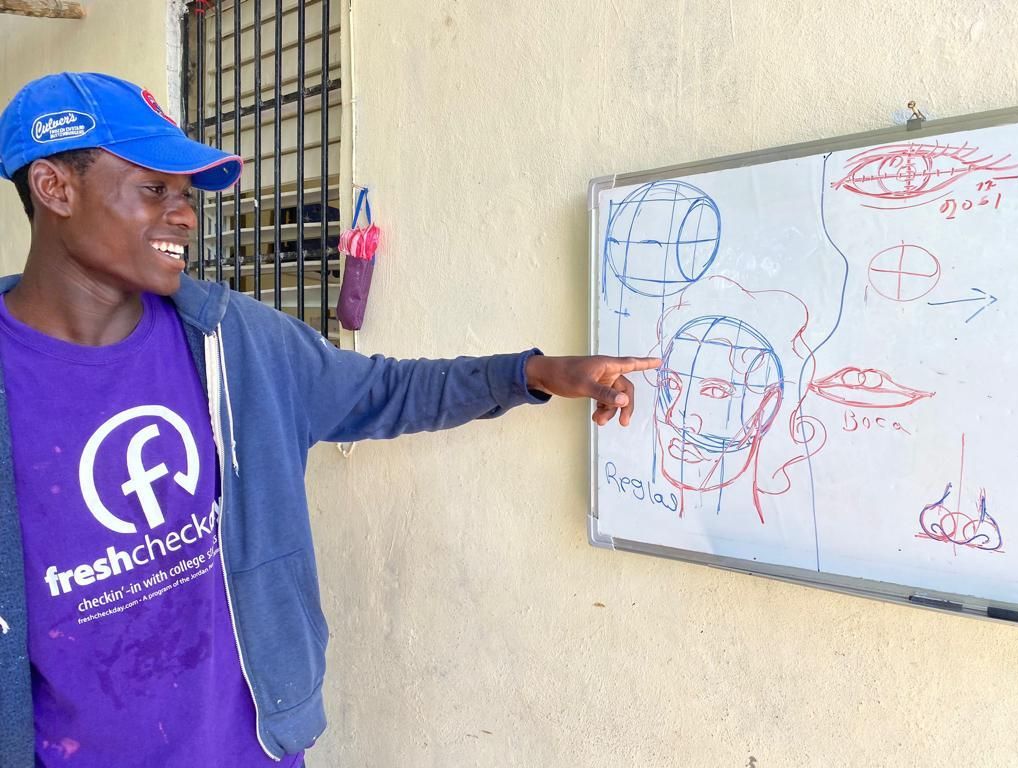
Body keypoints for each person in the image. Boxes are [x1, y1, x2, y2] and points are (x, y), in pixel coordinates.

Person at [0, 72, 658, 768]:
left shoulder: (236, 342)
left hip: (252, 753)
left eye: (187, 196)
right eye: (154, 189)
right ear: (55, 188)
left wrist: (530, 374)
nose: (186, 216)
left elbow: (385, 392)